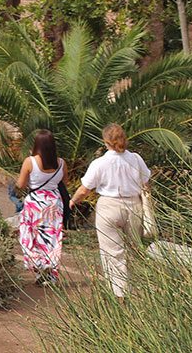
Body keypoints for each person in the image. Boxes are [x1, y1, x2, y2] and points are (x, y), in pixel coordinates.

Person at [71, 123, 151, 298]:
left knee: (112, 252)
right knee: (135, 249)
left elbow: (85, 189)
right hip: (134, 205)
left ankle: (119, 293)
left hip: (109, 206)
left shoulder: (100, 163)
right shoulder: (136, 159)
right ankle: (138, 290)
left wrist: (73, 201)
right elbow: (146, 182)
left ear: (105, 141)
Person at [16, 129, 66, 284]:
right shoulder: (62, 163)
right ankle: (51, 274)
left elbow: (21, 184)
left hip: (35, 204)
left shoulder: (30, 162)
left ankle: (38, 270)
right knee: (52, 237)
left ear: (37, 145)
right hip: (54, 203)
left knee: (32, 236)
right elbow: (64, 182)